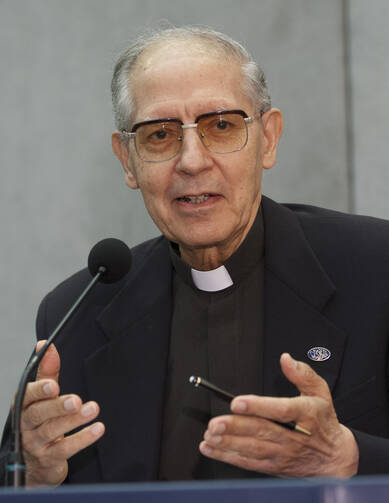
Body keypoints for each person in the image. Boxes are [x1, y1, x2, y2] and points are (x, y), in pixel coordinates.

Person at [2, 26, 389, 487]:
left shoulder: (376, 270)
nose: (191, 161)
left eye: (221, 126)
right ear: (128, 160)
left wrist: (349, 459)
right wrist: (32, 478)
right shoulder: (77, 313)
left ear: (268, 138)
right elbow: (15, 475)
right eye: (159, 135)